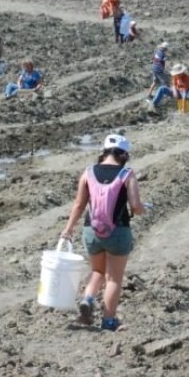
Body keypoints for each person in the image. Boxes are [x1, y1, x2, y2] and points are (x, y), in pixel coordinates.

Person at [60, 134, 146, 331]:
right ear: (124, 154)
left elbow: (79, 204)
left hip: (91, 231)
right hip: (118, 231)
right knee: (114, 278)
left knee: (97, 271)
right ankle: (108, 321)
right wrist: (142, 209)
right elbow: (135, 205)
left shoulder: (88, 172)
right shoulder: (127, 174)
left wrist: (68, 229)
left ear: (104, 152)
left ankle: (88, 299)